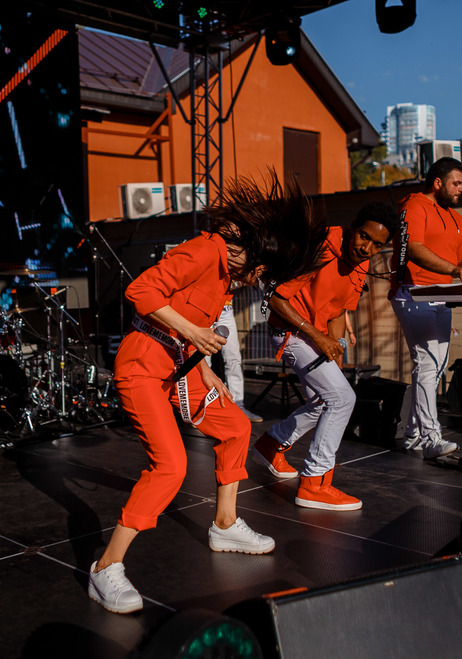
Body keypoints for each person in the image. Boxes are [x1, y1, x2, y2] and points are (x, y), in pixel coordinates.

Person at [87, 173, 328, 614]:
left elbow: (193, 324)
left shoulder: (228, 274)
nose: (258, 280)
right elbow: (140, 291)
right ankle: (106, 567)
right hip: (143, 367)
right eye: (261, 271)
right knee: (170, 466)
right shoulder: (202, 252)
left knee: (236, 427)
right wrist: (195, 334)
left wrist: (205, 369)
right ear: (252, 254)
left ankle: (225, 523)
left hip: (181, 368)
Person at [253, 201, 398, 511]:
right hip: (290, 332)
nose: (367, 248)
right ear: (353, 227)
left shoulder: (361, 263)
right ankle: (315, 483)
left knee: (326, 399)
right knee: (342, 399)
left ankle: (271, 444)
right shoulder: (319, 248)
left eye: (377, 244)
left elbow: (337, 311)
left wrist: (336, 356)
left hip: (314, 334)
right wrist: (319, 337)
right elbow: (276, 300)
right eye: (364, 236)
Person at [389, 157, 462, 460]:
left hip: (442, 295)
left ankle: (412, 434)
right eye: (457, 183)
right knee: (427, 364)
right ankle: (430, 438)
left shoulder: (455, 218)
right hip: (413, 294)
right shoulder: (414, 205)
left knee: (437, 365)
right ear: (438, 183)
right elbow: (413, 248)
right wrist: (454, 270)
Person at [215, 292, 263, 423]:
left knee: (234, 359)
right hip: (205, 306)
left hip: (225, 309)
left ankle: (238, 406)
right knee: (203, 360)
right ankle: (203, 408)